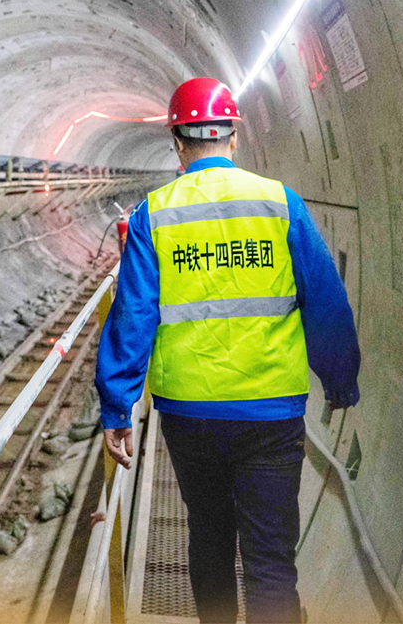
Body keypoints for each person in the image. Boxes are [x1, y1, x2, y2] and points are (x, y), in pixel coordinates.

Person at [95, 77, 361, 624]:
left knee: (210, 539)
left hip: (190, 414)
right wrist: (339, 379)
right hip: (271, 411)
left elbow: (134, 315)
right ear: (233, 137)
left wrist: (117, 406)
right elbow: (325, 299)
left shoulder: (153, 214)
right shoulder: (280, 203)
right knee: (270, 561)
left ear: (177, 143)